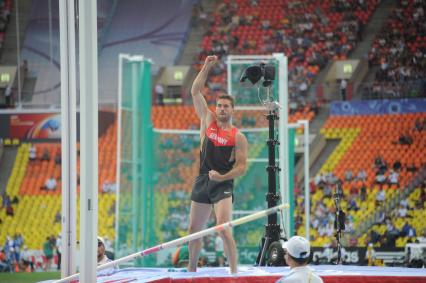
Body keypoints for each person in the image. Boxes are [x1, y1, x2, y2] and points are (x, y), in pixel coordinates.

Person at [187, 55, 248, 274]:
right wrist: (205, 67)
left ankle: (234, 272)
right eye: (219, 106)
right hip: (203, 180)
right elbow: (195, 91)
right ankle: (191, 271)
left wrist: (222, 177)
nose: (221, 109)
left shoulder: (237, 136)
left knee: (223, 229)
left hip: (222, 183)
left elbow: (242, 167)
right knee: (193, 230)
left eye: (226, 106)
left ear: (232, 110)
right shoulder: (208, 120)